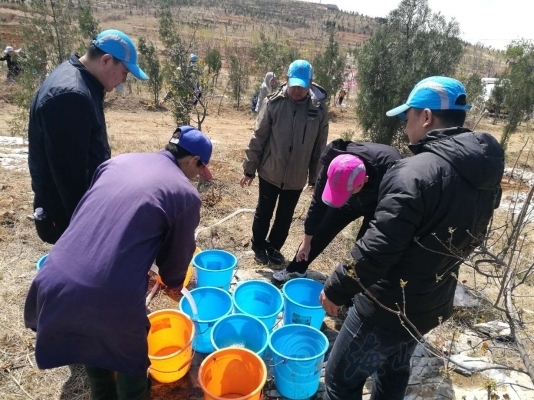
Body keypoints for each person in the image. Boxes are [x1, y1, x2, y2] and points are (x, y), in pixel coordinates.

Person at [320, 76, 504, 400]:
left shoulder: (414, 173)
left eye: (408, 117)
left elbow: (380, 247)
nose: (406, 127)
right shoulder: (483, 175)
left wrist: (336, 287)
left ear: (427, 117)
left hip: (384, 308)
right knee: (393, 372)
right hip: (430, 304)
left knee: (339, 382)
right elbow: (472, 237)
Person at [24, 126, 213, 400]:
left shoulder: (118, 162)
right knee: (130, 358)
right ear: (194, 160)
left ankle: (102, 392)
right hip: (108, 293)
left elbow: (104, 222)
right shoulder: (184, 194)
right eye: (200, 169)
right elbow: (175, 262)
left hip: (54, 276)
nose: (197, 177)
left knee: (92, 342)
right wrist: (172, 285)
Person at [28, 29, 148, 245]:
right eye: (124, 73)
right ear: (106, 60)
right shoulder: (71, 96)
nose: (122, 81)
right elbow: (70, 177)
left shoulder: (80, 82)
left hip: (76, 212)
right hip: (68, 217)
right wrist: (89, 226)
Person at [272, 139, 401, 282]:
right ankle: (296, 269)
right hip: (351, 200)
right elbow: (317, 206)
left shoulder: (392, 170)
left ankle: (354, 289)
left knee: (365, 246)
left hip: (378, 203)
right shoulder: (334, 166)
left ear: (365, 180)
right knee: (322, 230)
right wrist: (306, 241)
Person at [241, 59, 329, 265]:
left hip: (296, 177)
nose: (297, 90)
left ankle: (273, 248)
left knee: (285, 217)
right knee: (264, 212)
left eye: (302, 86)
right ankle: (258, 246)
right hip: (270, 171)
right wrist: (249, 169)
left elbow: (319, 146)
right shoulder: (273, 103)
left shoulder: (319, 109)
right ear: (287, 79)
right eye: (294, 84)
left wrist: (314, 177)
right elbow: (258, 137)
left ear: (310, 83)